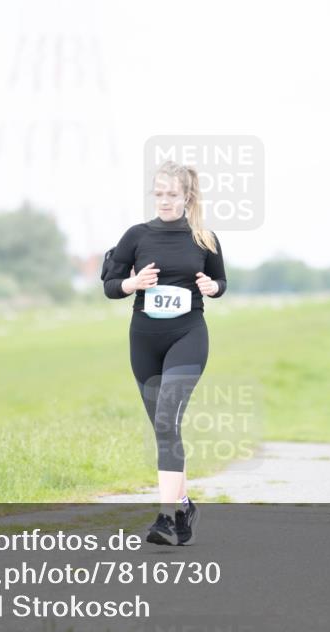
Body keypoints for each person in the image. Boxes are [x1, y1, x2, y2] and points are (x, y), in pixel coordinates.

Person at [102, 159, 227, 546]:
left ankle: (166, 518)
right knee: (163, 427)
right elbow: (109, 284)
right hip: (143, 340)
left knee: (166, 419)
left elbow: (221, 280)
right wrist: (131, 283)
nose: (164, 201)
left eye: (172, 195)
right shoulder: (136, 236)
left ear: (187, 196)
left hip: (187, 336)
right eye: (159, 194)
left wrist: (212, 287)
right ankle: (185, 505)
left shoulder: (204, 238)